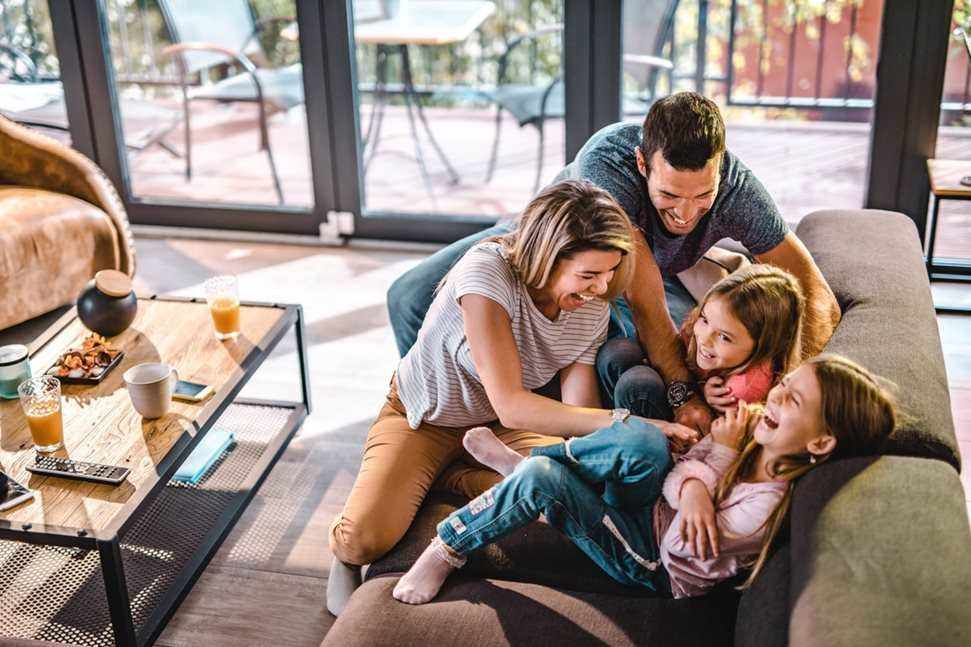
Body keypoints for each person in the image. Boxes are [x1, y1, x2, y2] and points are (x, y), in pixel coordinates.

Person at [327, 179, 699, 615]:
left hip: (505, 428)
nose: (601, 288)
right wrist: (633, 424)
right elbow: (511, 401)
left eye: (609, 273)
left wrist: (599, 447)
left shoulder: (591, 303)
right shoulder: (487, 273)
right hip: (426, 418)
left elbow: (574, 410)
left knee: (570, 490)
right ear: (547, 257)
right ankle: (363, 534)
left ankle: (455, 472)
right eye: (588, 275)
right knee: (365, 539)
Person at [386, 92, 840, 434]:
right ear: (643, 164)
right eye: (668, 197)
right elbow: (644, 301)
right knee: (407, 297)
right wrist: (683, 398)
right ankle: (445, 425)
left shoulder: (740, 192)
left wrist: (788, 385)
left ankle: (520, 420)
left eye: (703, 196)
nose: (684, 214)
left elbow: (817, 295)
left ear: (721, 168)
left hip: (632, 275)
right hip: (546, 245)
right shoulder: (608, 164)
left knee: (697, 349)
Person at [391, 354, 896, 603]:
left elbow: (680, 547)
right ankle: (531, 470)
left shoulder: (763, 509)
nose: (776, 400)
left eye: (793, 403)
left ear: (820, 443)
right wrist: (698, 475)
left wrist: (711, 462)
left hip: (649, 558)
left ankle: (449, 545)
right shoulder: (753, 440)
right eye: (783, 387)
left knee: (543, 477)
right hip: (652, 510)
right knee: (643, 442)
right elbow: (680, 479)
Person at [604, 263, 806, 420]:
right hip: (687, 390)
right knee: (619, 353)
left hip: (691, 437)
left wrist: (705, 399)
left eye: (724, 337)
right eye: (705, 319)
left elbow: (715, 439)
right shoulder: (701, 334)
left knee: (637, 384)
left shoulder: (743, 390)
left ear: (766, 345)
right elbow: (682, 345)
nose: (705, 339)